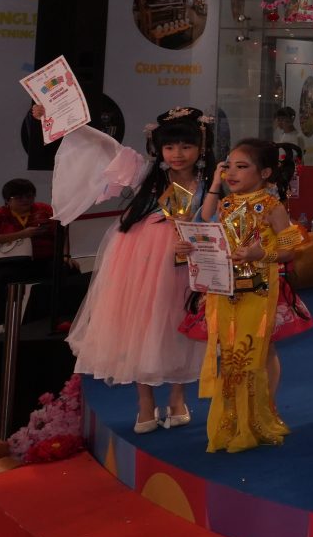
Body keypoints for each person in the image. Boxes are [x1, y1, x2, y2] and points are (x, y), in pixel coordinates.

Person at [64, 108, 209, 433]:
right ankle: (145, 401)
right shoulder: (146, 175)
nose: (177, 154)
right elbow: (105, 146)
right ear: (159, 149)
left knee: (182, 321)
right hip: (142, 256)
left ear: (201, 147)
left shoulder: (211, 182)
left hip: (190, 254)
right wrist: (64, 120)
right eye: (169, 147)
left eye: (186, 146)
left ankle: (178, 397)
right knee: (140, 323)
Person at [194, 139, 304, 454]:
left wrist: (262, 254)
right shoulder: (226, 204)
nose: (232, 173)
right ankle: (231, 421)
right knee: (229, 354)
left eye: (242, 167)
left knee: (251, 353)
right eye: (229, 166)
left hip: (258, 288)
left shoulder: (273, 207)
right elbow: (208, 223)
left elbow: (290, 249)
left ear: (265, 172)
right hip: (226, 289)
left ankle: (255, 420)